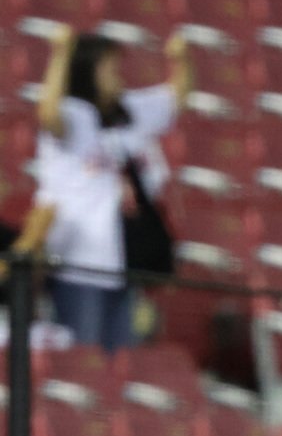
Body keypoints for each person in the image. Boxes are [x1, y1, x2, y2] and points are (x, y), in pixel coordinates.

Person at [35, 26, 191, 350]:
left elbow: (176, 96)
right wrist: (59, 55)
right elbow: (48, 113)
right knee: (81, 362)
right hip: (77, 266)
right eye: (109, 68)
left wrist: (181, 59)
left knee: (119, 367)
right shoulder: (73, 114)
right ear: (86, 72)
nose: (118, 76)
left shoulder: (126, 112)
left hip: (122, 263)